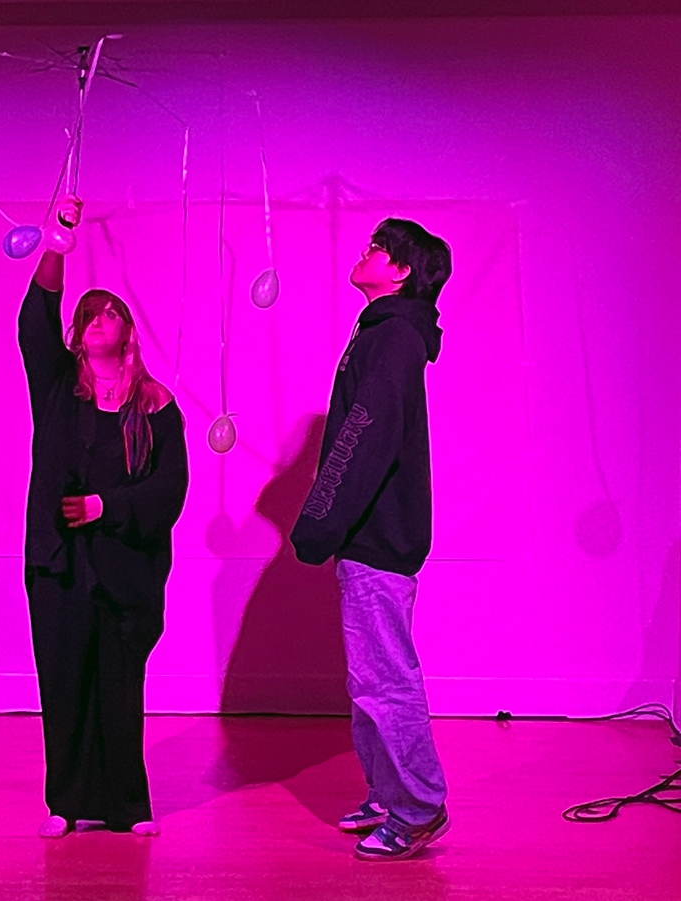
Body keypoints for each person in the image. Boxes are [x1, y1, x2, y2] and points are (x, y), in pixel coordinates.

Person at [18, 197, 189, 838]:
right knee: (63, 681)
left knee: (120, 686)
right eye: (87, 315)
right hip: (60, 564)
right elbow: (34, 322)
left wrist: (106, 507)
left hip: (126, 569)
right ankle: (65, 804)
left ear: (127, 329)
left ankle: (127, 805)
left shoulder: (157, 404)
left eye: (109, 312)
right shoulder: (60, 386)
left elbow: (171, 489)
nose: (96, 321)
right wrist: (58, 243)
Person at [290, 218, 452, 861]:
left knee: (385, 679)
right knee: (369, 682)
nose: (366, 252)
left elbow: (364, 436)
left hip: (377, 539)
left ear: (403, 272)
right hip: (369, 538)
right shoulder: (383, 334)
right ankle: (389, 792)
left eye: (379, 249)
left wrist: (318, 523)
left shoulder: (393, 341)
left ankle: (418, 807)